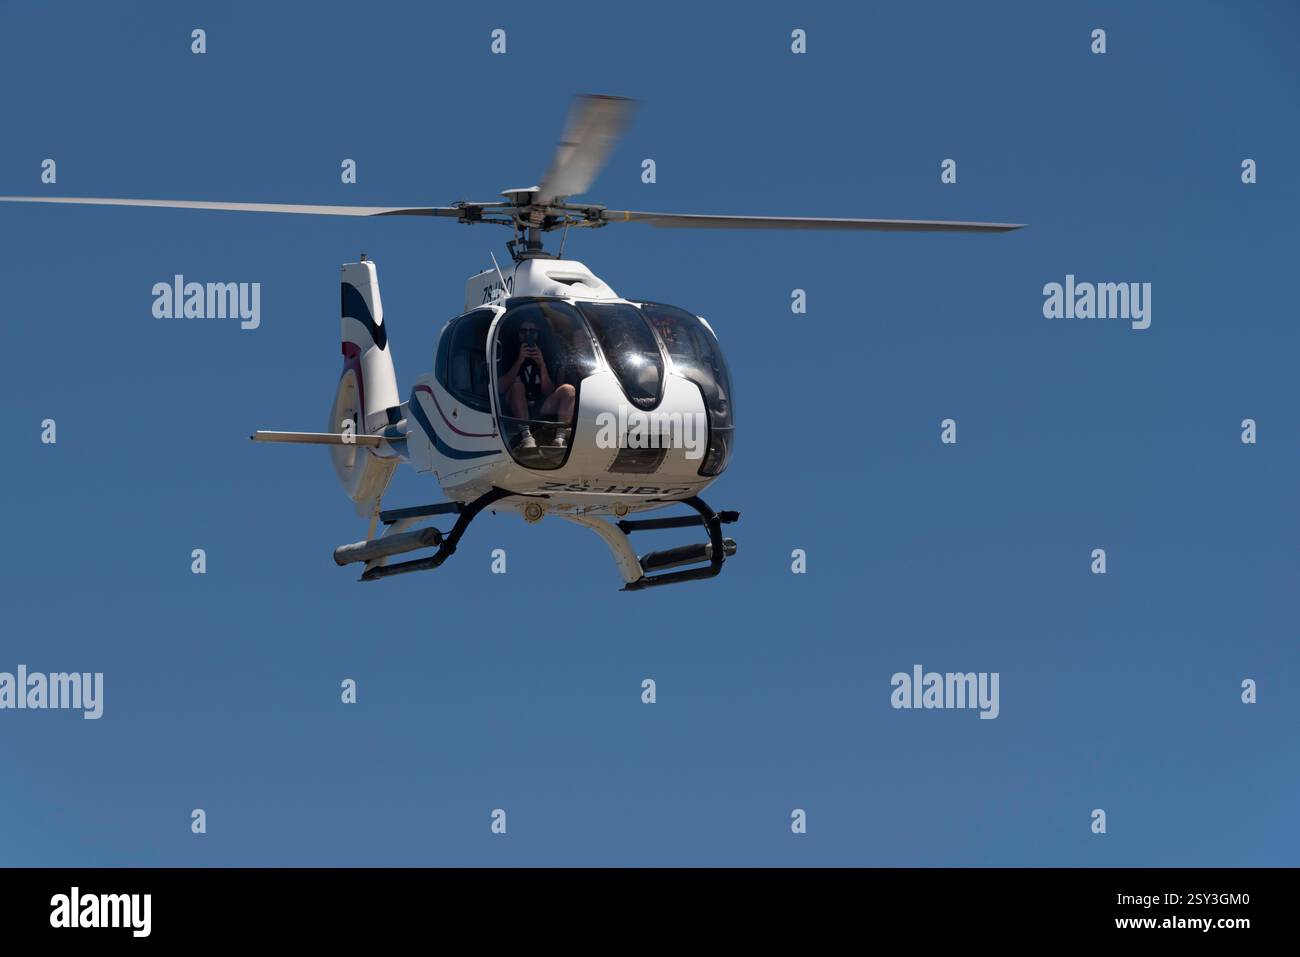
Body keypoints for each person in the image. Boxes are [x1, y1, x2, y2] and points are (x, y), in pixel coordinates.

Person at [498, 312, 576, 450]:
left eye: (532, 331)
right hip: (514, 410)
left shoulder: (546, 354)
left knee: (568, 389)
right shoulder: (508, 353)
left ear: (538, 334)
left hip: (540, 406)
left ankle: (560, 438)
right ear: (518, 334)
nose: (528, 335)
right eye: (523, 331)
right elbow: (501, 387)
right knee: (517, 386)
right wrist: (519, 360)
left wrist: (542, 365)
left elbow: (549, 391)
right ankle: (526, 437)